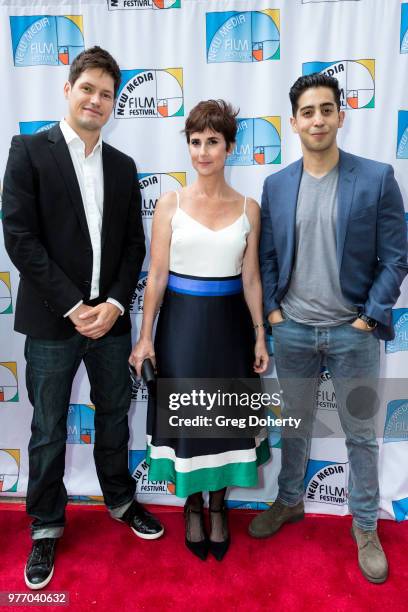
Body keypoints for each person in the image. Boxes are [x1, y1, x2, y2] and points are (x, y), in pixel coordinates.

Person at [2, 46, 163, 591]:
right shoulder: (28, 151)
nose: (96, 100)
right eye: (87, 88)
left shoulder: (122, 167)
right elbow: (20, 240)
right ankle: (45, 525)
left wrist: (114, 305)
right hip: (53, 322)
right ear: (68, 90)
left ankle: (120, 499)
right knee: (48, 429)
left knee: (115, 415)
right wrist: (74, 307)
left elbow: (132, 249)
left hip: (112, 324)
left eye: (107, 93)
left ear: (115, 103)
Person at [248, 73, 407, 583]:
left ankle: (364, 524)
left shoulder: (377, 178)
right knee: (294, 424)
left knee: (360, 434)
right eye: (307, 112)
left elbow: (396, 256)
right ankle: (289, 500)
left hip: (352, 333)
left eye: (326, 109)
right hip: (292, 330)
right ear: (293, 123)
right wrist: (274, 312)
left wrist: (369, 317)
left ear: (341, 115)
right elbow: (268, 257)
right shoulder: (275, 185)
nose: (317, 119)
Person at [130, 100, 270, 561]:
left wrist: (259, 335)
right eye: (195, 142)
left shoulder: (249, 207)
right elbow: (156, 277)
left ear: (230, 146)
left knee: (226, 420)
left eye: (213, 142)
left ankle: (219, 505)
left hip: (231, 329)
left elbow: (251, 278)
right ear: (188, 146)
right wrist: (146, 336)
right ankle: (192, 506)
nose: (203, 151)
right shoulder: (169, 204)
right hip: (182, 330)